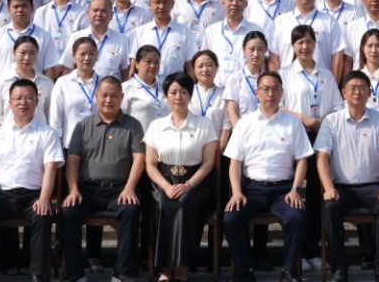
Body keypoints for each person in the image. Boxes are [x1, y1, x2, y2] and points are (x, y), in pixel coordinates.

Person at [0, 78, 63, 282]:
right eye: (18, 98)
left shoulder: (48, 134)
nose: (23, 102)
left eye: (28, 98)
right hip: (3, 196)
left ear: (36, 101)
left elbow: (50, 169)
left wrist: (44, 198)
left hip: (33, 196)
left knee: (43, 217)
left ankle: (37, 274)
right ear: (10, 102)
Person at [222, 70, 312, 282]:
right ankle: (244, 273)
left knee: (297, 217)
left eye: (275, 89)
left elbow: (302, 160)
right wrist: (236, 192)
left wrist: (296, 189)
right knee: (231, 219)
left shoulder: (293, 123)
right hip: (251, 190)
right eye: (265, 89)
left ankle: (288, 271)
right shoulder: (245, 123)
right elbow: (235, 162)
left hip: (284, 190)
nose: (270, 93)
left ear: (282, 93)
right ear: (257, 93)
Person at [315, 71, 379, 282]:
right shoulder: (331, 121)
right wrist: (328, 188)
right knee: (330, 208)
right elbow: (322, 157)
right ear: (343, 93)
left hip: (373, 186)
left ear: (370, 93)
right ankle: (339, 270)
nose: (357, 92)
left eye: (362, 88)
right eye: (352, 88)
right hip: (341, 187)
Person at [62, 75, 145, 282]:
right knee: (69, 212)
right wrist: (73, 190)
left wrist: (129, 188)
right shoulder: (83, 126)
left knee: (131, 210)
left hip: (120, 189)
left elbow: (139, 159)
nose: (108, 100)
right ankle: (75, 274)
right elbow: (73, 161)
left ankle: (121, 273)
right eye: (104, 95)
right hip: (88, 189)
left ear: (121, 98)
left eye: (114, 96)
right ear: (96, 97)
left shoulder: (133, 125)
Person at [279, 25, 342, 271]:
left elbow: (338, 106)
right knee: (292, 194)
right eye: (299, 42)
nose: (304, 47)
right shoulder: (284, 74)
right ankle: (294, 253)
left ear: (315, 44)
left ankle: (312, 250)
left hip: (321, 137)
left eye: (308, 42)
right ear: (293, 46)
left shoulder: (325, 74)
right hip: (294, 135)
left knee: (316, 195)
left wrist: (323, 122)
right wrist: (304, 119)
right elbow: (278, 106)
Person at [145, 72, 217, 282]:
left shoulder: (204, 124)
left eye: (184, 92)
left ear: (190, 95)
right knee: (163, 204)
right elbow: (150, 165)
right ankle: (165, 268)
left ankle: (183, 267)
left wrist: (188, 185)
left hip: (196, 182)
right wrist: (167, 187)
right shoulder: (156, 126)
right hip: (163, 182)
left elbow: (208, 163)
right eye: (173, 92)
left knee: (185, 204)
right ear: (166, 96)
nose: (178, 97)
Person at [0, 0, 58, 88]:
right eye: (16, 7)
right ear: (8, 9)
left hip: (34, 93)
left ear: (32, 8)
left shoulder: (44, 36)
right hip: (3, 92)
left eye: (24, 6)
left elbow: (49, 71)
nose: (20, 10)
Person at [271, 0, 340, 72]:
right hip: (287, 80)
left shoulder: (329, 21)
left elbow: (337, 56)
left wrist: (331, 81)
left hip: (320, 80)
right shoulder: (280, 22)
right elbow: (273, 58)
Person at [202, 0, 263, 86]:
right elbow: (205, 60)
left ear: (246, 3)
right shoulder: (211, 31)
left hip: (247, 88)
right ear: (223, 2)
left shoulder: (256, 31)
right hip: (218, 89)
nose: (235, 3)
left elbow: (262, 63)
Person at [131, 0, 195, 78]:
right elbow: (133, 67)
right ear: (150, 5)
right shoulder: (140, 32)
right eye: (157, 2)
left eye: (166, 2)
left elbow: (190, 66)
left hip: (174, 86)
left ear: (172, 4)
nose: (161, 6)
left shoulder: (184, 31)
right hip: (147, 85)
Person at [0, 36, 55, 127]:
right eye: (22, 53)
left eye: (32, 53)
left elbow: (50, 116)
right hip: (9, 134)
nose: (27, 57)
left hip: (40, 134)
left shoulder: (47, 84)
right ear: (14, 52)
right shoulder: (1, 83)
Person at [49, 38, 104, 147]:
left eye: (91, 54)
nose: (87, 58)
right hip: (70, 146)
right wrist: (56, 145)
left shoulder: (104, 83)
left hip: (99, 146)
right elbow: (55, 119)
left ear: (97, 56)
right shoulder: (63, 83)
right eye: (82, 54)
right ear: (73, 56)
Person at [64, 0, 130, 80]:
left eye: (104, 11)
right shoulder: (76, 37)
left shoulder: (122, 40)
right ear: (88, 13)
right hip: (81, 87)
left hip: (110, 88)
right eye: (95, 10)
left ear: (111, 15)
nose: (99, 14)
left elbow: (126, 73)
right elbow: (67, 68)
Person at [33, 0, 88, 65]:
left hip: (72, 65)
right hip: (47, 65)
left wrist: (66, 63)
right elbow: (38, 40)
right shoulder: (41, 12)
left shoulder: (82, 12)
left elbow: (84, 41)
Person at [225, 31, 270, 126]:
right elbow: (232, 113)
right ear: (244, 49)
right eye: (251, 49)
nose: (256, 54)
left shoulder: (270, 79)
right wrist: (241, 132)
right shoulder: (234, 79)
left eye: (260, 49)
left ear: (266, 50)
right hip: (244, 130)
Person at [190, 50, 232, 147]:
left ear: (216, 68)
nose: (205, 69)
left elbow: (225, 128)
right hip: (189, 149)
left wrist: (217, 152)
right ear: (194, 69)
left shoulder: (224, 94)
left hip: (214, 149)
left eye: (209, 65)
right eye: (200, 66)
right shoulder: (187, 92)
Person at [123, 45, 170, 131]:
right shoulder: (125, 88)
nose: (152, 66)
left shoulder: (165, 88)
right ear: (137, 64)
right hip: (139, 138)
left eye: (156, 62)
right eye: (148, 61)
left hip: (164, 138)